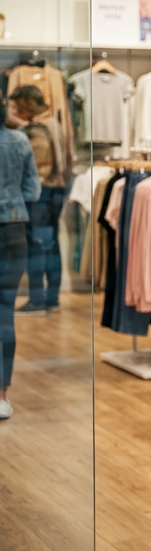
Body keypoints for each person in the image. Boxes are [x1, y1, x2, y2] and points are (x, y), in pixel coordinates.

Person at [9, 86, 68, 314]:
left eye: (16, 106)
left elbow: (39, 165)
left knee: (38, 246)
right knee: (50, 246)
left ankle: (38, 298)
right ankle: (50, 297)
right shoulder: (52, 122)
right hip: (54, 191)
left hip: (43, 194)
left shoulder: (39, 128)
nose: (13, 111)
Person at [0, 97, 40, 419]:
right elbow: (33, 191)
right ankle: (1, 395)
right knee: (5, 313)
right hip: (14, 231)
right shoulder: (19, 139)